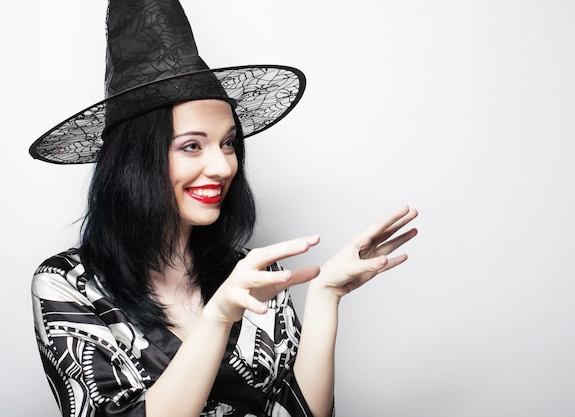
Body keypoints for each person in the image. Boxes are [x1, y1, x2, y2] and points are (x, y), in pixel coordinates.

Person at [29, 1, 418, 416]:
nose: (222, 166)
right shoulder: (68, 285)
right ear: (134, 160)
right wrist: (218, 317)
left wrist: (326, 295)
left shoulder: (253, 274)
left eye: (229, 142)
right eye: (192, 146)